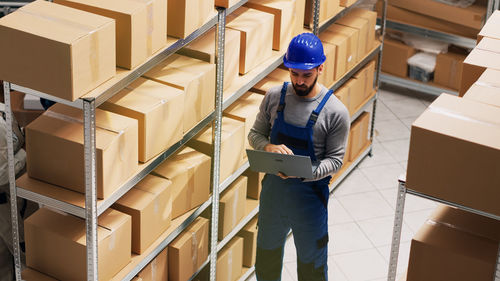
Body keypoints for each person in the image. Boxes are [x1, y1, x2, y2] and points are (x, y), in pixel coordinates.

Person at [248, 33, 350, 281]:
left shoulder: (335, 111)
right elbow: (255, 134)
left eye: (307, 75)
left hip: (309, 202)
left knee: (311, 269)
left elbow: (336, 160)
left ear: (320, 68)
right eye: (294, 74)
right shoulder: (274, 97)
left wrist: (303, 172)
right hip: (274, 196)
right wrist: (268, 147)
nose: (300, 81)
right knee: (267, 262)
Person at [0, 102, 28, 281]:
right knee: (19, 255)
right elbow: (2, 173)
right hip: (6, 203)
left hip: (17, 195)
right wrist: (25, 153)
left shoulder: (3, 107)